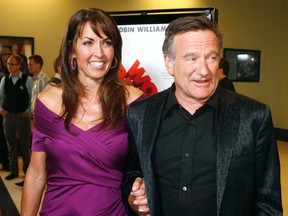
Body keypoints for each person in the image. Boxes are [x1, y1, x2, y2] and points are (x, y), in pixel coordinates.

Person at [123, 16, 282, 216]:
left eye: (211, 57)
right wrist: (134, 193)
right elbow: (131, 172)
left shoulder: (254, 117)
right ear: (169, 63)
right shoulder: (140, 114)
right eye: (192, 58)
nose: (204, 70)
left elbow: (268, 202)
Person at [21, 8, 143, 215]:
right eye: (88, 42)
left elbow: (144, 169)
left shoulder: (135, 101)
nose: (100, 53)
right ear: (72, 49)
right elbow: (36, 173)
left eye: (107, 42)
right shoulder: (48, 102)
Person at [0, 54, 33, 181]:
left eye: (12, 64)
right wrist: (1, 109)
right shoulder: (5, 80)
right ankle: (13, 170)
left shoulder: (27, 80)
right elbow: (0, 97)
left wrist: (27, 111)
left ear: (19, 65)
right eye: (8, 64)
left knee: (24, 146)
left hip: (22, 117)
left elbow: (32, 98)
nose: (9, 66)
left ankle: (27, 172)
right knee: (11, 145)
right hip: (8, 117)